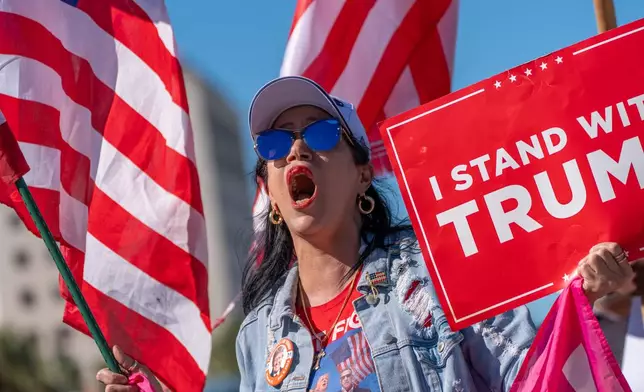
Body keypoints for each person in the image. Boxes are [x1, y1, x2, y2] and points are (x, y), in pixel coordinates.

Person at [96, 76, 636, 391]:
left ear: (361, 176)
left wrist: (587, 301)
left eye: (321, 133)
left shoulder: (438, 273)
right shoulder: (255, 337)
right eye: (276, 146)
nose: (298, 151)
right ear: (272, 193)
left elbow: (532, 376)